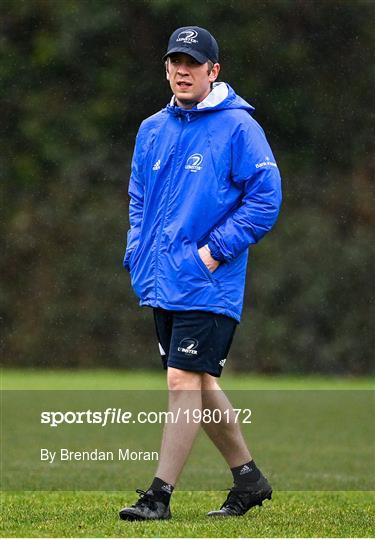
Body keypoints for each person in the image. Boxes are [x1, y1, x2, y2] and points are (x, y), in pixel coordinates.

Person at [119, 25, 282, 521]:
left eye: (193, 63)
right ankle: (249, 478)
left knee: (181, 381)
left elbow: (266, 198)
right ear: (166, 68)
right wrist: (136, 249)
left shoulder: (238, 128)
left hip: (209, 281)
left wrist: (212, 252)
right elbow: (138, 199)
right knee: (200, 384)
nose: (182, 71)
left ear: (214, 70)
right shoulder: (152, 128)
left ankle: (159, 495)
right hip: (161, 280)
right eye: (175, 62)